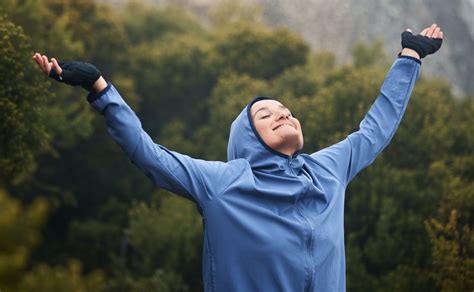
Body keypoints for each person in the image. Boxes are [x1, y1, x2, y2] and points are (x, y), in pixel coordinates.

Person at [33, 24, 443, 291]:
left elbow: (375, 128)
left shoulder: (328, 170)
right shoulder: (223, 184)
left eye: (286, 109)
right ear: (249, 139)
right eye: (265, 114)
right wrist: (101, 89)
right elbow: (150, 155)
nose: (283, 113)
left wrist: (410, 57)